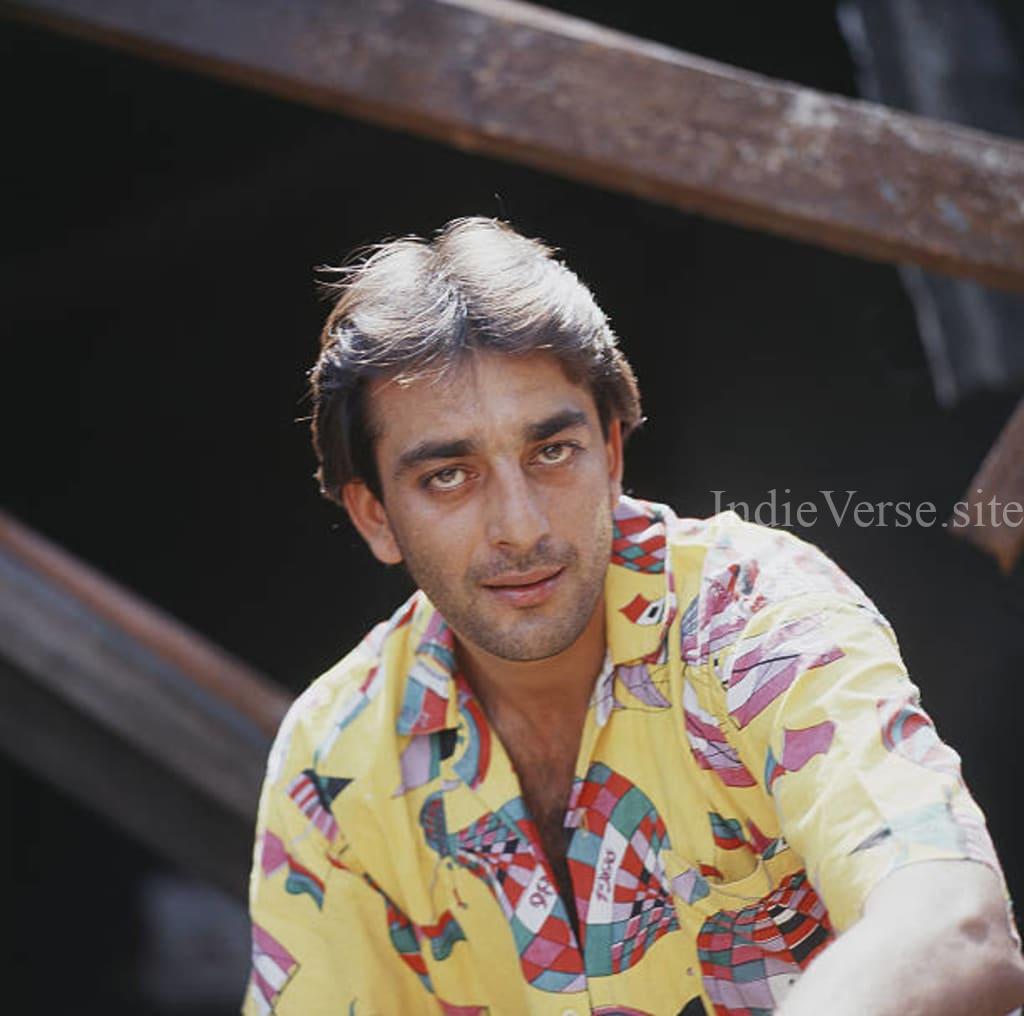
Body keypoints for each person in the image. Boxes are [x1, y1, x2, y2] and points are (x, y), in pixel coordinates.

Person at [243, 217, 1024, 1016]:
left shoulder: (752, 621)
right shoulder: (336, 758)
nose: (521, 526)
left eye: (553, 452)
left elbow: (954, 927)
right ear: (375, 517)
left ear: (612, 455)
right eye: (449, 475)